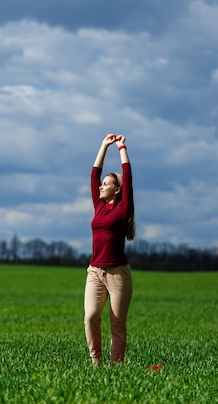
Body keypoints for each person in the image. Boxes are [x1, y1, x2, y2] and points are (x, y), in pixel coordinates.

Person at [84, 133, 136, 366]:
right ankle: (96, 364)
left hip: (117, 274)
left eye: (106, 184)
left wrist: (121, 147)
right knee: (91, 317)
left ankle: (116, 367)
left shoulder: (123, 209)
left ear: (117, 190)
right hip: (95, 271)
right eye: (101, 184)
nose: (101, 186)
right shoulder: (99, 206)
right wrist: (103, 145)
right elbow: (94, 174)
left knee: (117, 323)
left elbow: (128, 175)